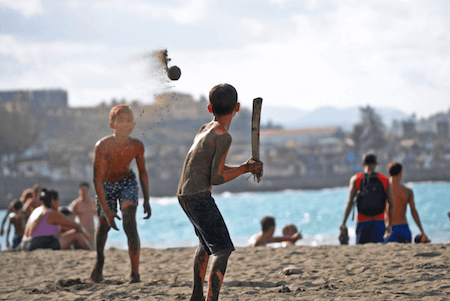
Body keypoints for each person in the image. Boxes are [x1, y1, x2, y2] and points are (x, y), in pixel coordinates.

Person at [177, 84, 263, 301]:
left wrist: (245, 167)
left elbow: (212, 169)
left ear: (209, 108)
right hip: (198, 195)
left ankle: (196, 296)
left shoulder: (204, 128)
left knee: (205, 244)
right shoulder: (223, 136)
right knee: (222, 249)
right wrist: (245, 168)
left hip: (184, 194)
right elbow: (216, 178)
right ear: (237, 107)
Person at [90, 104, 151, 284]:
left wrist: (147, 199)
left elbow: (143, 172)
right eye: (120, 121)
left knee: (129, 222)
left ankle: (135, 272)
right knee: (104, 226)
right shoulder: (102, 146)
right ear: (112, 125)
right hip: (105, 184)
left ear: (133, 125)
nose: (125, 125)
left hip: (127, 181)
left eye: (128, 121)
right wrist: (107, 211)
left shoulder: (137, 145)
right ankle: (100, 260)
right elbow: (97, 179)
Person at [340, 153, 394, 244]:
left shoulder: (356, 179)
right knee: (379, 250)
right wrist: (389, 224)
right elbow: (391, 204)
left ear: (363, 164)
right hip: (379, 221)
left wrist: (344, 223)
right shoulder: (384, 180)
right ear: (375, 164)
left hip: (362, 222)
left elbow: (349, 202)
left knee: (361, 251)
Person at [21, 188, 91, 251]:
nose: (59, 204)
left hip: (24, 244)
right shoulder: (50, 212)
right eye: (58, 201)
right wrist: (85, 235)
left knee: (60, 235)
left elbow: (62, 229)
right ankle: (90, 253)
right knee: (76, 235)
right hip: (35, 244)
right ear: (53, 201)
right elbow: (76, 225)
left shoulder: (37, 210)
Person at [384, 162, 430, 243]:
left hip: (389, 228)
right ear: (400, 174)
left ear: (389, 173)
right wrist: (422, 231)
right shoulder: (407, 191)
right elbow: (413, 212)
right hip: (404, 229)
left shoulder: (384, 190)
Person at [71, 181, 97, 249]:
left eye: (85, 190)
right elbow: (71, 220)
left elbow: (100, 218)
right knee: (83, 250)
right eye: (82, 190)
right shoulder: (76, 204)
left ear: (88, 191)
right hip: (82, 232)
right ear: (79, 191)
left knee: (93, 249)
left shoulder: (93, 203)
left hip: (92, 230)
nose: (84, 192)